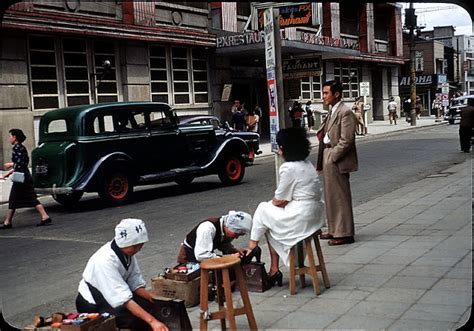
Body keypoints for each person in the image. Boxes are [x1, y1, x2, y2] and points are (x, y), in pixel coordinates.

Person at [246, 127, 325, 286]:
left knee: (263, 210)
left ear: (284, 148)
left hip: (302, 215)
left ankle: (253, 247)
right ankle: (273, 267)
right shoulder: (307, 164)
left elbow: (280, 200)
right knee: (267, 219)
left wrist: (273, 203)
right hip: (315, 214)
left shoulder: (288, 168)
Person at [76, 218, 169, 331]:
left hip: (116, 296)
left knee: (151, 307)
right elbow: (123, 299)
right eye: (135, 246)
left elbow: (135, 282)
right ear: (124, 242)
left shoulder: (127, 253)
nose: (139, 249)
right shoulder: (105, 261)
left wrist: (154, 299)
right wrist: (152, 321)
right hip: (93, 304)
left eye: (141, 245)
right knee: (133, 320)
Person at [317, 80, 358, 246]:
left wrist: (332, 157)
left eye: (326, 93)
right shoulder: (333, 110)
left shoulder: (345, 112)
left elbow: (347, 140)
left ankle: (345, 233)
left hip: (336, 158)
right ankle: (335, 229)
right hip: (328, 153)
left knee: (340, 196)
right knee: (331, 196)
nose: (323, 96)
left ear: (337, 94)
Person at [0, 129, 51, 229]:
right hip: (23, 176)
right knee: (30, 197)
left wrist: (10, 165)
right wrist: (7, 174)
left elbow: (20, 164)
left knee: (14, 198)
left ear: (15, 137)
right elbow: (20, 165)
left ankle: (7, 222)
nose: (9, 138)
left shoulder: (18, 148)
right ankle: (45, 216)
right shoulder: (20, 147)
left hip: (21, 178)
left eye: (10, 136)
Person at [177, 210, 253, 264]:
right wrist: (228, 259)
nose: (236, 237)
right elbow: (202, 255)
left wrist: (235, 251)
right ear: (228, 226)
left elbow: (222, 243)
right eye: (236, 234)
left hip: (201, 256)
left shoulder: (223, 227)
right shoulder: (207, 228)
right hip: (190, 259)